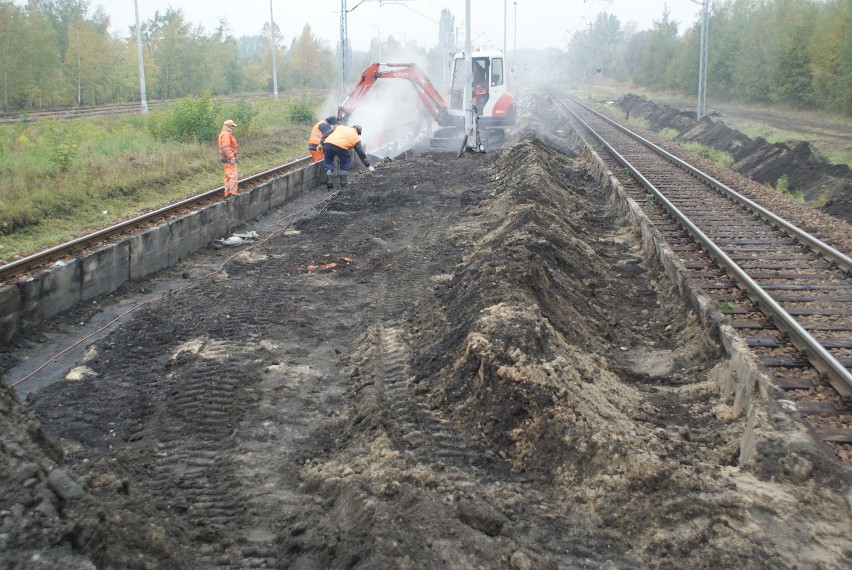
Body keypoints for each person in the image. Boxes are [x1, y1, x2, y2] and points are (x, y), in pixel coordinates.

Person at [320, 124, 375, 189]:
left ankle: (328, 180)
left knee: (328, 160)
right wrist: (368, 165)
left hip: (328, 143)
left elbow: (326, 134)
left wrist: (322, 143)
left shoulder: (340, 127)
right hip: (340, 146)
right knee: (346, 160)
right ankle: (343, 182)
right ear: (358, 131)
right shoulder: (356, 137)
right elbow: (361, 153)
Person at [218, 119, 239, 197]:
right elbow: (226, 148)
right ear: (229, 126)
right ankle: (232, 192)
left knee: (228, 175)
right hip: (229, 159)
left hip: (225, 159)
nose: (233, 128)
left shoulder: (223, 134)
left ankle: (227, 192)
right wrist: (231, 157)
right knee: (233, 175)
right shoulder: (226, 135)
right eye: (232, 126)